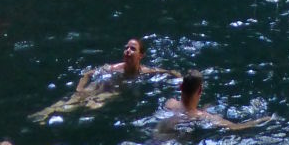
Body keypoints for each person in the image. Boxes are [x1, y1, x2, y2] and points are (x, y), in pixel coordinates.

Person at [31, 38, 179, 121]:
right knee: (75, 99)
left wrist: (181, 78)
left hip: (113, 90)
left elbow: (169, 72)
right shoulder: (114, 68)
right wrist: (80, 89)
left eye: (133, 49)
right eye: (126, 48)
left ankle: (59, 115)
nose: (128, 50)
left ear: (141, 55)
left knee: (92, 105)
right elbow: (88, 74)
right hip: (102, 83)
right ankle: (45, 112)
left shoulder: (146, 71)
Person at [161, 69, 272, 131]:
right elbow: (236, 127)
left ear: (180, 86)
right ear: (200, 90)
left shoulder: (170, 103)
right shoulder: (203, 116)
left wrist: (174, 74)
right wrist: (264, 120)